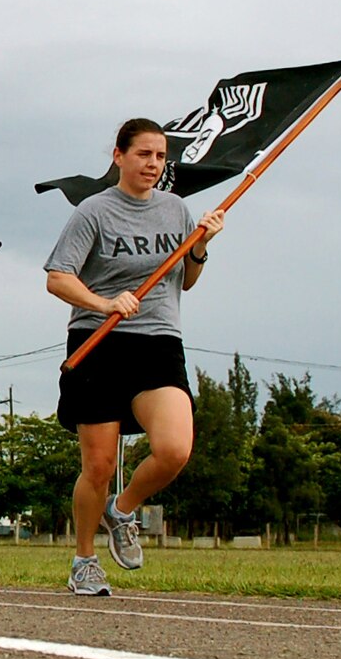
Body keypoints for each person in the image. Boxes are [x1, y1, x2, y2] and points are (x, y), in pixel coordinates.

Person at [43, 118, 225, 596]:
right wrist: (105, 303)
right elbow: (58, 277)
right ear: (119, 156)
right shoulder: (93, 212)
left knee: (175, 449)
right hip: (99, 339)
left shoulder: (177, 210)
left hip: (158, 339)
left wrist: (200, 246)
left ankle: (122, 511)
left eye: (161, 156)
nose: (153, 164)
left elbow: (184, 281)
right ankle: (84, 560)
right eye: (144, 154)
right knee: (98, 466)